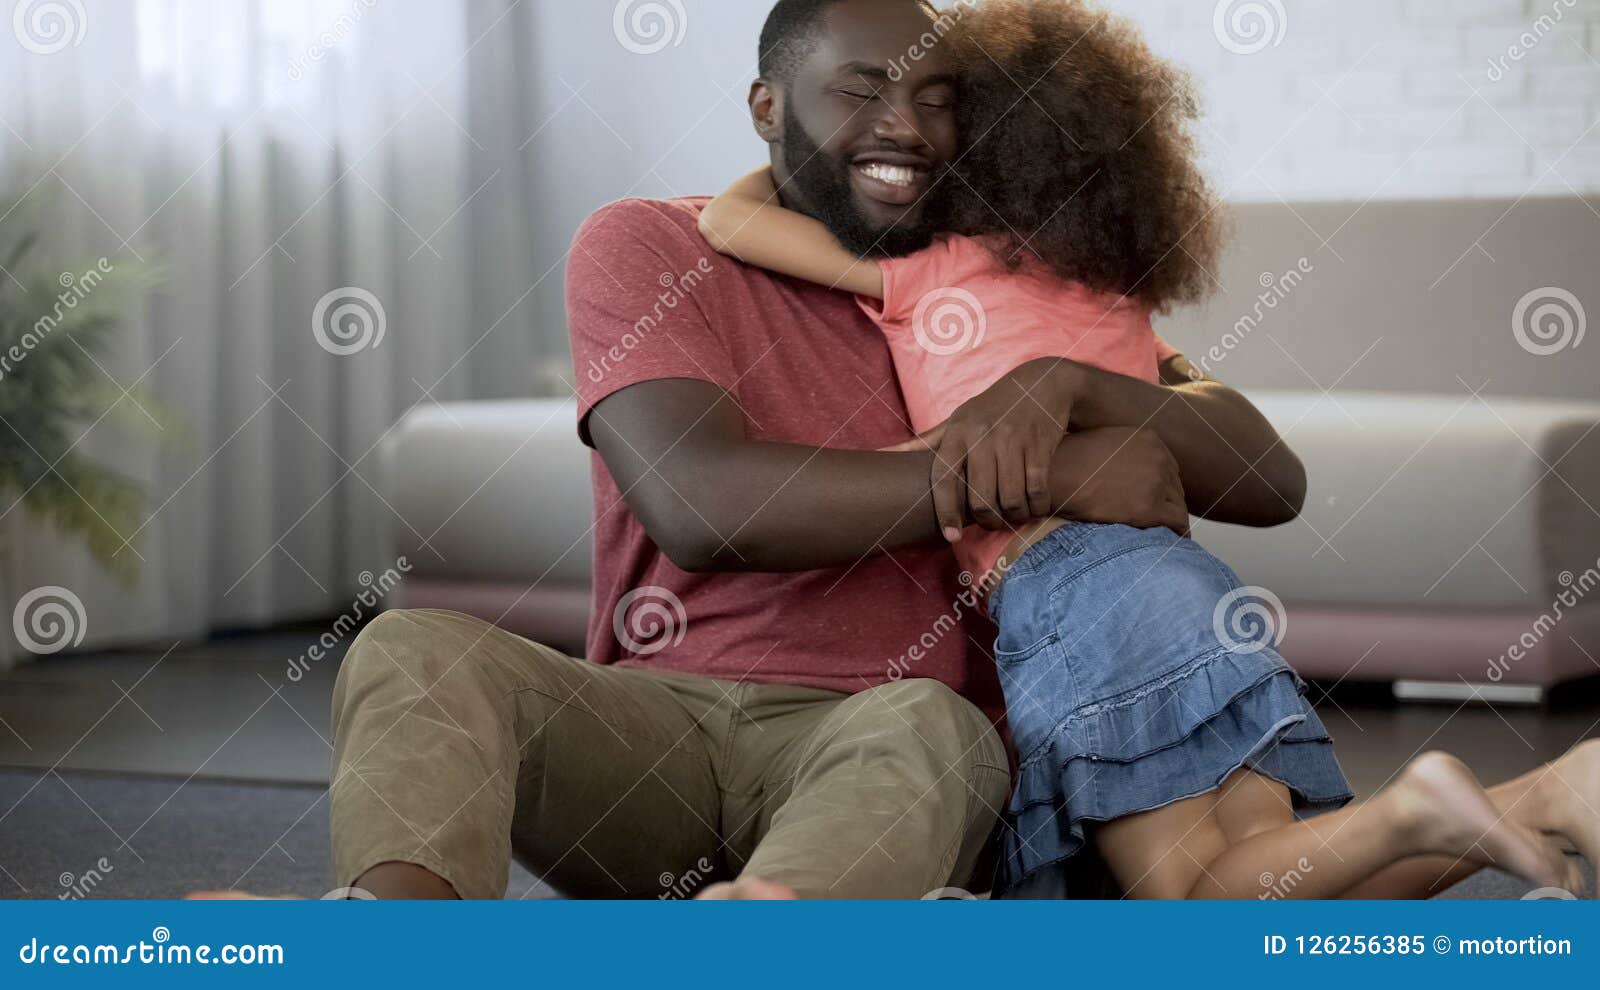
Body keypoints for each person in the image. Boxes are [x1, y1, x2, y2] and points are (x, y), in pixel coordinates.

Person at [697, 0, 1595, 899]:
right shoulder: (1114, 301)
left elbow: (730, 223)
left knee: (1192, 907)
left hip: (1073, 588)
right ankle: (1542, 805)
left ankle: (1418, 812)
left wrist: (821, 140)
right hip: (1181, 580)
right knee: (1257, 887)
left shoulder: (933, 270)